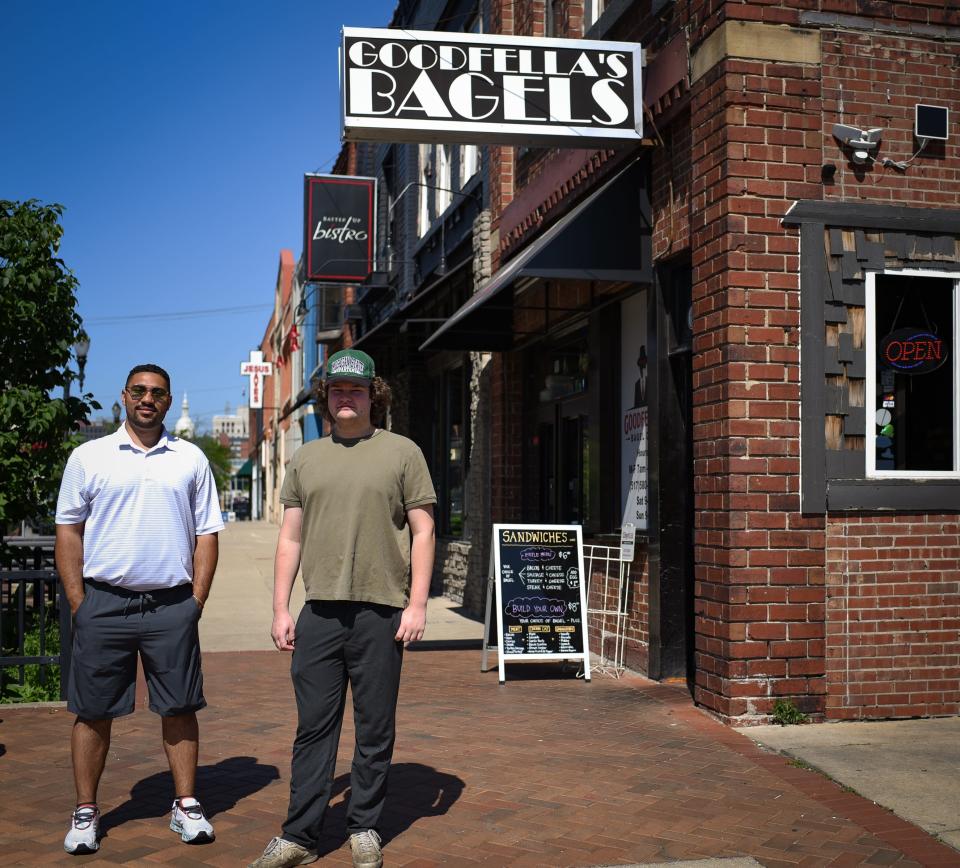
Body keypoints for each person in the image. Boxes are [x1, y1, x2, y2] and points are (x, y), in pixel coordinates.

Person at [250, 349, 436, 868]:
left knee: (375, 727)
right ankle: (300, 837)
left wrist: (417, 604)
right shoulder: (307, 457)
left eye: (355, 390)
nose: (345, 397)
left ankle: (364, 827)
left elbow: (423, 530)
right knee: (313, 728)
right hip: (320, 613)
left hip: (382, 612)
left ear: (372, 393)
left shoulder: (403, 452)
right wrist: (280, 609)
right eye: (336, 390)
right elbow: (290, 537)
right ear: (325, 398)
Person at [55, 363, 224, 855]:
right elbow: (69, 529)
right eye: (139, 391)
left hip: (172, 604)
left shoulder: (190, 459)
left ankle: (186, 804)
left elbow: (207, 533)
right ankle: (86, 811)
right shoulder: (90, 457)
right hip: (103, 602)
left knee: (180, 707)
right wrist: (78, 602)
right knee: (92, 712)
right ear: (125, 396)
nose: (148, 399)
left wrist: (196, 602)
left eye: (158, 393)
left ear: (169, 401)